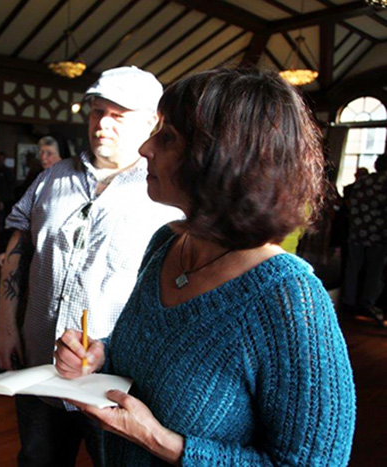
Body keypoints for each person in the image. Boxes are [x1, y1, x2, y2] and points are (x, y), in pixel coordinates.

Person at [54, 67, 356, 466]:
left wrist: (162, 442)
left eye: (167, 137)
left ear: (224, 158)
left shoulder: (289, 299)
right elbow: (152, 355)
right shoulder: (168, 243)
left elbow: (314, 463)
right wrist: (98, 356)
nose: (146, 149)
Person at [0, 66, 182, 466]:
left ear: (153, 121)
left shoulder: (165, 195)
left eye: (119, 115)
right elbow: (16, 248)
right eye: (98, 112)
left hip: (116, 384)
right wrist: (6, 327)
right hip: (39, 368)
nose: (102, 124)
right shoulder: (51, 179)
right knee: (37, 459)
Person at [342, 153, 387, 325]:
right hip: (378, 235)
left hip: (357, 232)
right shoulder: (384, 182)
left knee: (353, 268)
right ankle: (367, 303)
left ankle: (348, 300)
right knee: (374, 272)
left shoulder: (362, 182)